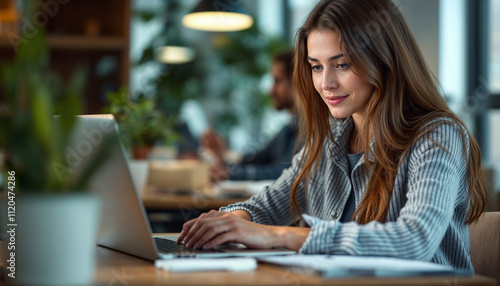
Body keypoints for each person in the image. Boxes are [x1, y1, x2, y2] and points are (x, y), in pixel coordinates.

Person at [177, 0, 487, 271]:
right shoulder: (331, 137)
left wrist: (280, 235)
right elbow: (273, 202)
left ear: (384, 61)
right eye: (316, 67)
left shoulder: (438, 136)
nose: (326, 83)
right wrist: (229, 221)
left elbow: (414, 240)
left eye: (341, 64)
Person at [203, 50, 299, 181]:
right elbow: (256, 160)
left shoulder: (311, 130)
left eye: (278, 81)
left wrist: (229, 173)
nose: (271, 90)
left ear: (297, 84)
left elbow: (286, 173)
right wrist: (223, 159)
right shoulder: (289, 128)